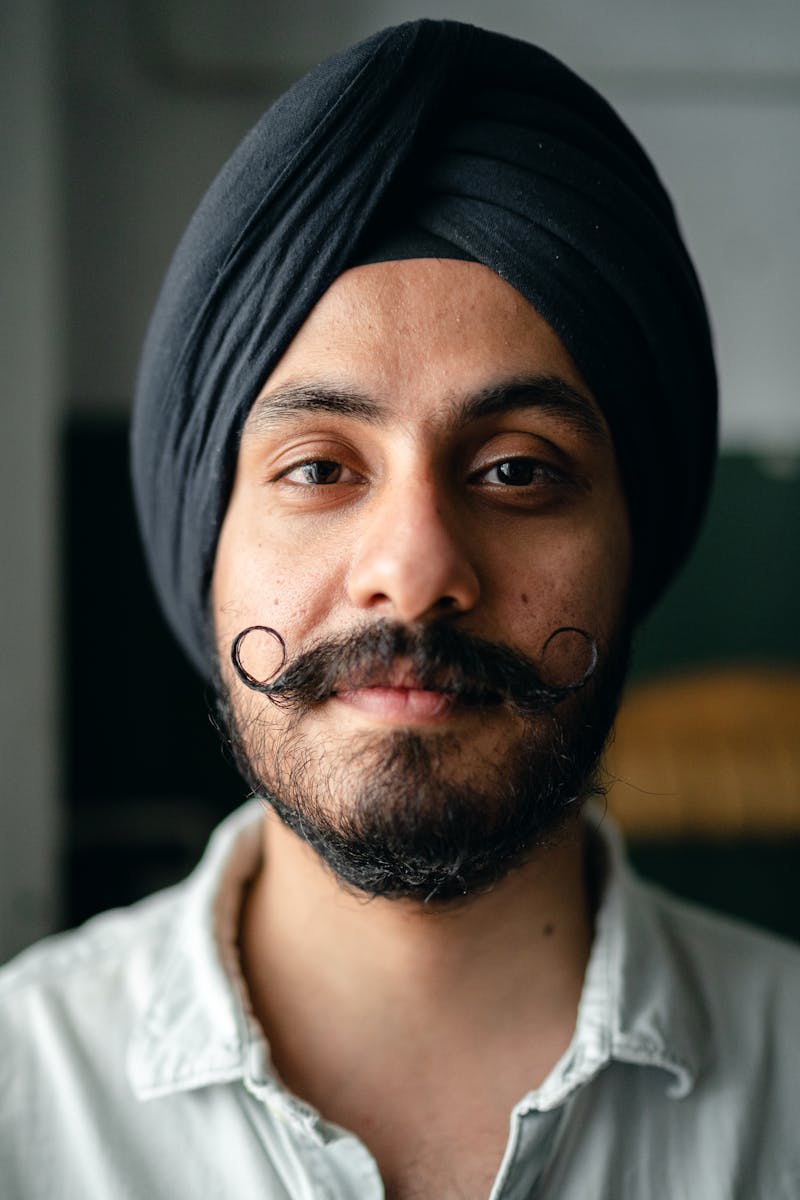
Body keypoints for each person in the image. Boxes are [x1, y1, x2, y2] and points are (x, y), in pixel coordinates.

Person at [1, 19, 798, 1199]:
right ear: (203, 540)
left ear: (636, 537)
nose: (416, 572)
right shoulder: (25, 1103)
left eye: (517, 470)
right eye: (320, 468)